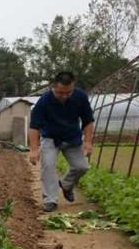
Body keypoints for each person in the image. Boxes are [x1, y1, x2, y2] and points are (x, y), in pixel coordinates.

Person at [29, 71, 94, 212]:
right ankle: (50, 200)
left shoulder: (80, 97)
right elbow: (34, 126)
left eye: (68, 92)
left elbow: (88, 121)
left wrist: (88, 142)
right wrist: (34, 149)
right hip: (51, 138)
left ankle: (66, 184)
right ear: (53, 87)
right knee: (48, 166)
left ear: (73, 87)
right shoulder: (45, 100)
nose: (64, 96)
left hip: (72, 138)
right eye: (60, 93)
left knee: (82, 166)